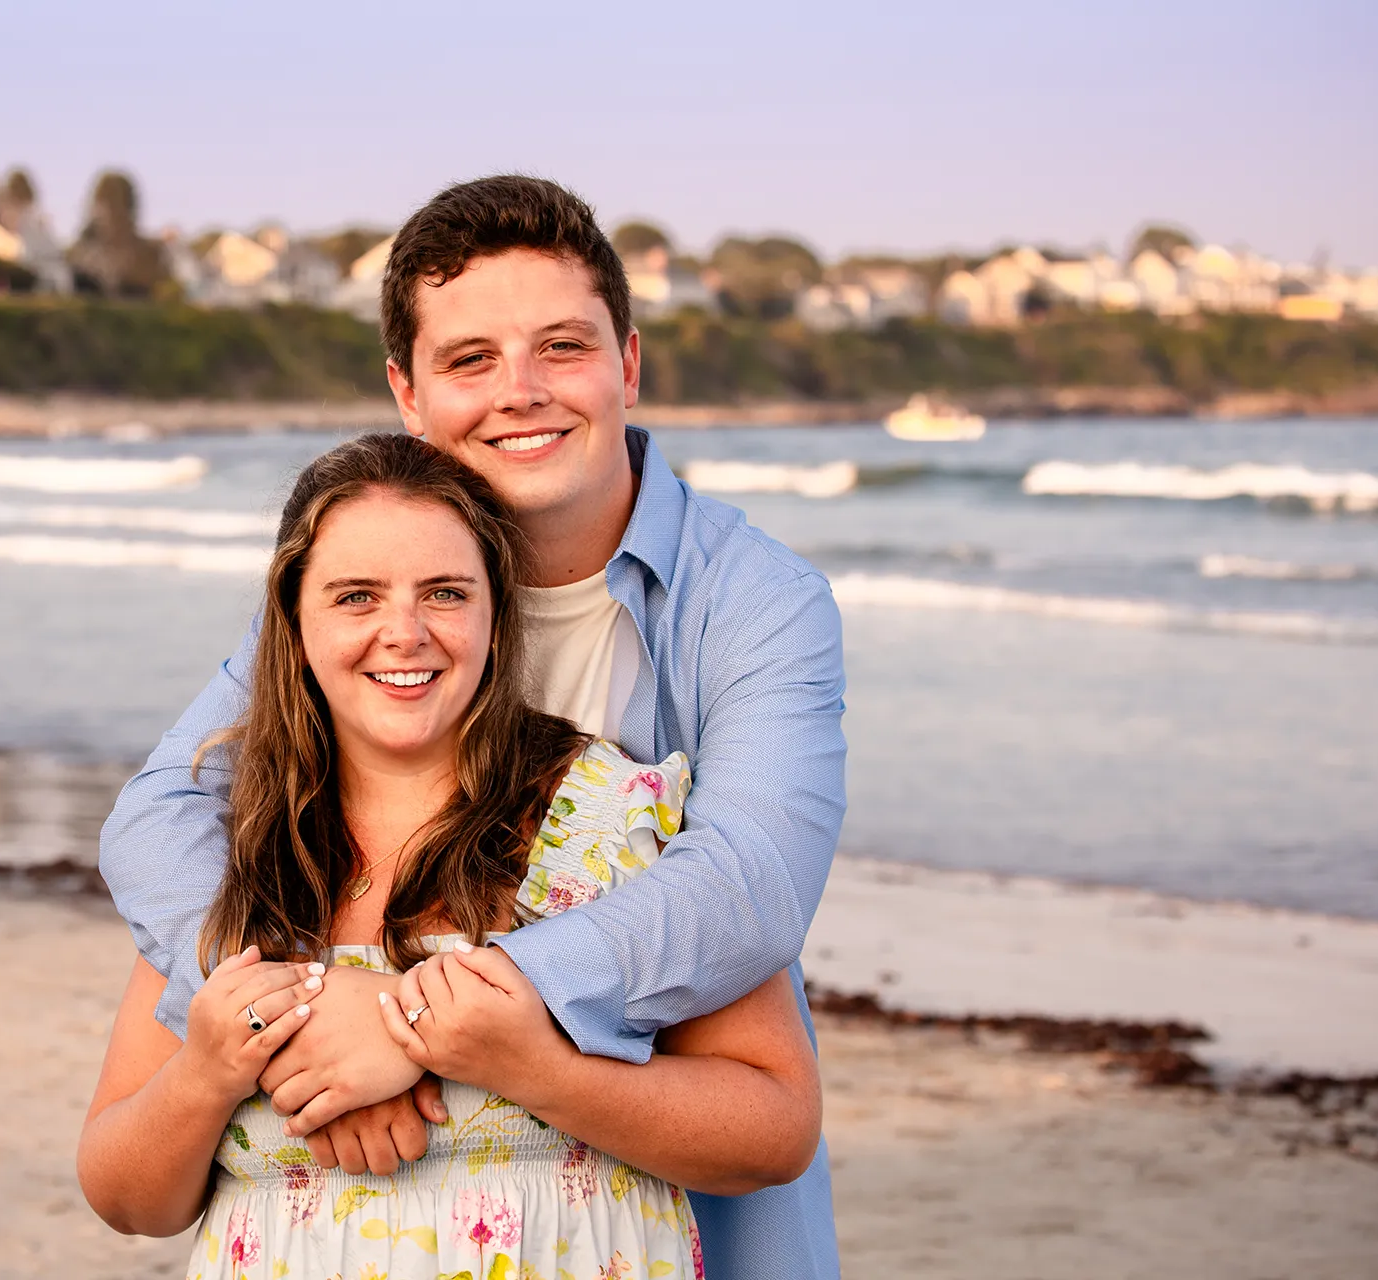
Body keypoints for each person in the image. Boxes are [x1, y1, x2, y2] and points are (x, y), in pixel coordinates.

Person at [100, 175, 848, 1278]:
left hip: (654, 1207)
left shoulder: (754, 602)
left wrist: (415, 1019)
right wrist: (304, 1014)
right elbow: (161, 812)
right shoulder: (382, 600)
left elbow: (746, 886)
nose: (522, 392)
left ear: (628, 365)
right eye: (470, 360)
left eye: (562, 347)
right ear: (407, 393)